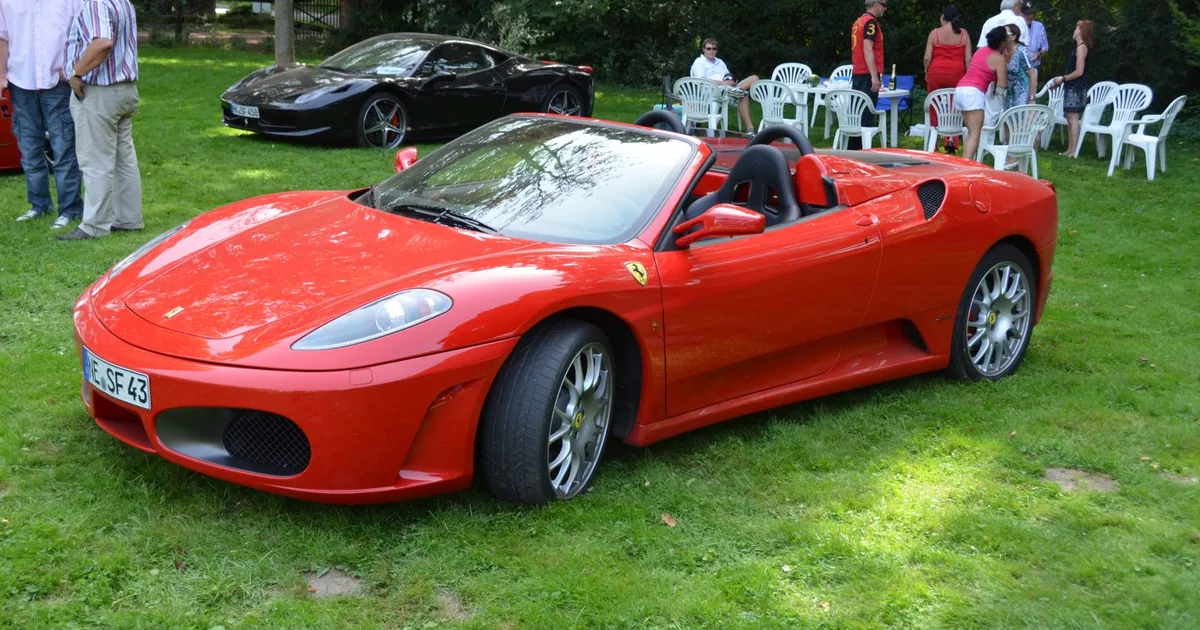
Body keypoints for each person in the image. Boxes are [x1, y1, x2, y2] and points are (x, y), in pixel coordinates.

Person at [57, 0, 143, 241]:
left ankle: (94, 226)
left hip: (99, 92)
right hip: (125, 90)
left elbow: (102, 42)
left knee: (95, 160)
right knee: (124, 159)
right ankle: (128, 219)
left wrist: (76, 73)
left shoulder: (95, 3)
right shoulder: (122, 1)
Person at [0, 0, 85, 230]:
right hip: (20, 81)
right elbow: (3, 38)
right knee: (29, 148)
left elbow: (83, 36)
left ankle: (70, 209)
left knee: (64, 147)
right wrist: (1, 76)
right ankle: (39, 205)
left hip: (59, 81)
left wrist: (74, 70)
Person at [956, 26, 1013, 162]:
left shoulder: (980, 51)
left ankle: (965, 162)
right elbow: (1002, 85)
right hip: (974, 93)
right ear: (1002, 43)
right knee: (976, 133)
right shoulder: (999, 59)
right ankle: (967, 166)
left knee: (970, 132)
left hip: (960, 90)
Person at [923, 5, 972, 152]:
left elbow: (927, 57)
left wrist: (926, 71)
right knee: (955, 105)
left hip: (935, 73)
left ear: (943, 17)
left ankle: (934, 141)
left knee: (933, 105)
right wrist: (968, 77)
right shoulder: (963, 34)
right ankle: (952, 139)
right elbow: (968, 59)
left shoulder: (935, 33)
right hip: (957, 74)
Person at [689, 38, 758, 131]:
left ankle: (736, 90)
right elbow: (701, 80)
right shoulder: (699, 62)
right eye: (709, 48)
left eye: (714, 49)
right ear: (703, 49)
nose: (711, 51)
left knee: (754, 78)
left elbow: (727, 76)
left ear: (717, 50)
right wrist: (722, 83)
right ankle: (750, 129)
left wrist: (732, 81)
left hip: (726, 87)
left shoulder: (720, 62)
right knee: (743, 94)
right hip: (711, 91)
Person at [1047, 20, 1092, 158]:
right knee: (1069, 118)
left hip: (1076, 88)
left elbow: (1079, 71)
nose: (1074, 31)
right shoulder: (1078, 47)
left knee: (1073, 118)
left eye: (1076, 28)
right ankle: (1070, 149)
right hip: (1071, 85)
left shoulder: (1081, 48)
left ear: (1081, 31)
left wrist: (1063, 79)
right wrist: (1062, 80)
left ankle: (1074, 151)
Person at [849, 0, 887, 150]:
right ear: (876, 4)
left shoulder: (858, 21)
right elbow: (867, 49)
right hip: (866, 73)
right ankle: (861, 151)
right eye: (884, 5)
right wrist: (874, 76)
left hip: (857, 72)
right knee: (866, 116)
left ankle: (852, 148)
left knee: (856, 114)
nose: (885, 9)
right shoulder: (871, 22)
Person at [1004, 23, 1036, 110]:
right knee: (1006, 122)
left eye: (1005, 33)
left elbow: (1033, 74)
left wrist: (1032, 99)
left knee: (1018, 121)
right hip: (1010, 94)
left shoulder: (1022, 51)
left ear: (1013, 37)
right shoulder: (1003, 51)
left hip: (1022, 92)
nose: (1002, 35)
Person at [1022, 4, 1048, 70]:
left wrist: (1038, 53)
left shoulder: (1039, 26)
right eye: (1027, 14)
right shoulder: (1017, 25)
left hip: (1034, 66)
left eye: (1032, 13)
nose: (1030, 16)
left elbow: (1045, 47)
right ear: (1021, 14)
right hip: (1019, 68)